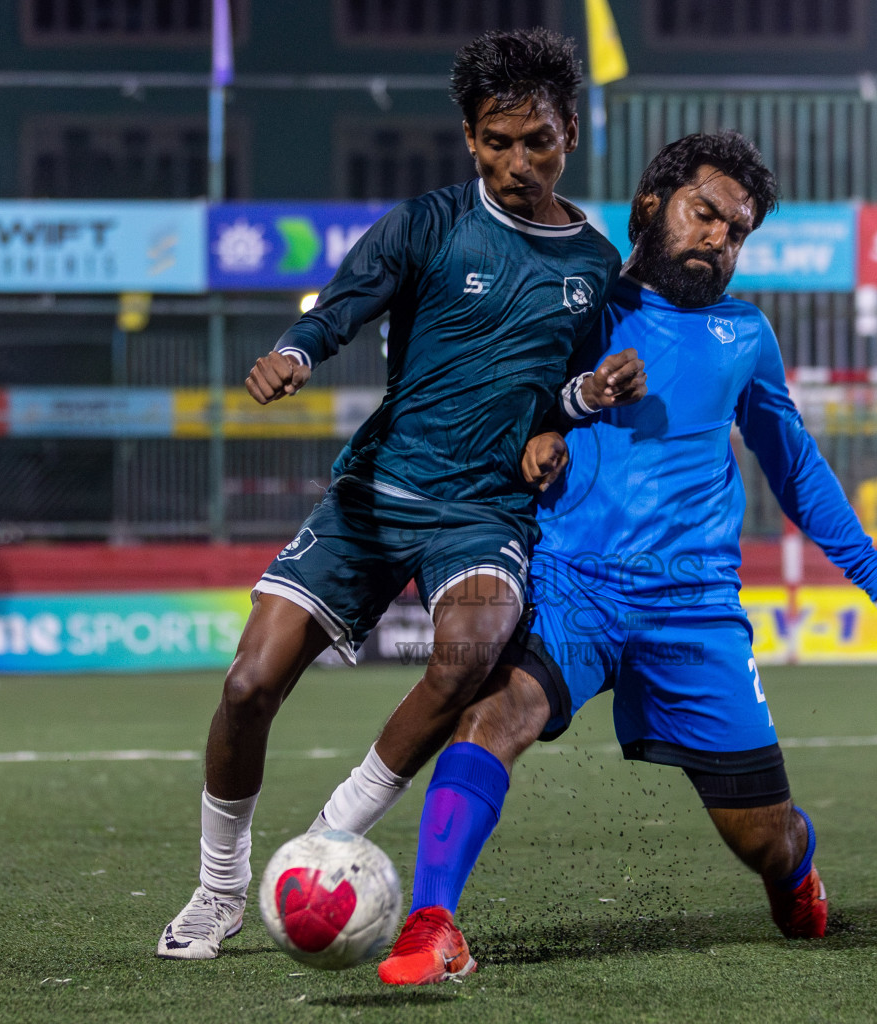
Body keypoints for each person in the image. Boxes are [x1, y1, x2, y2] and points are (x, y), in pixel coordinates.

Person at [360, 132, 877, 985]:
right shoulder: (580, 303)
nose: (720, 239)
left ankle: (796, 869)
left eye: (738, 230)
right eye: (705, 213)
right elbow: (514, 405)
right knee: (494, 719)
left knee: (760, 837)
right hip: (575, 587)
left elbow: (795, 468)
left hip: (695, 609)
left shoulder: (745, 335)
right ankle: (431, 925)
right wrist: (539, 438)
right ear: (651, 206)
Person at [157, 28, 647, 960]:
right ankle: (219, 888)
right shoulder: (428, 223)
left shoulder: (594, 265)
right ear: (469, 138)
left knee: (468, 654)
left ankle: (330, 840)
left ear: (570, 133)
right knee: (249, 683)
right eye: (497, 142)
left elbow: (558, 397)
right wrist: (296, 352)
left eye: (536, 140)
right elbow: (347, 299)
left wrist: (572, 414)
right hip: (380, 489)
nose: (516, 162)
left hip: (483, 511)